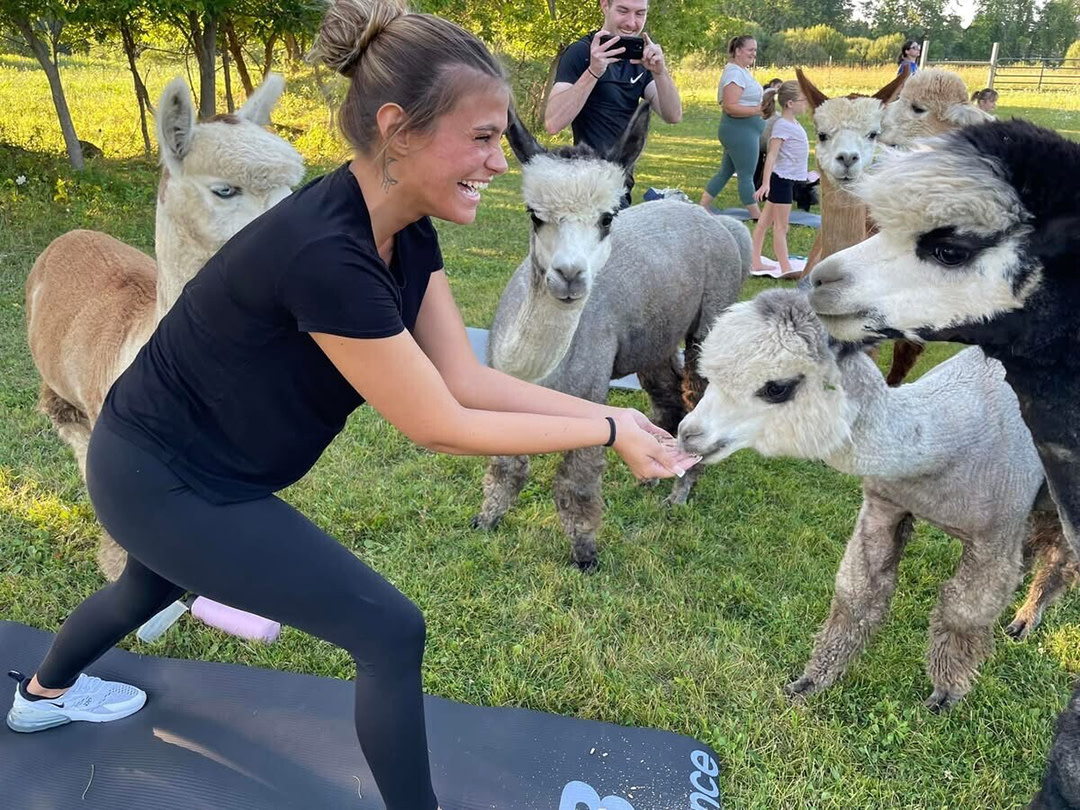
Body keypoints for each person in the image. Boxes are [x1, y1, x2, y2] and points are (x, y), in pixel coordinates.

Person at [3, 2, 698, 809]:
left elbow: (464, 381)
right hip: (160, 474)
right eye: (480, 139)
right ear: (398, 129)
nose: (498, 163)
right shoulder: (325, 254)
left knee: (144, 589)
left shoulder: (406, 226)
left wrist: (617, 422)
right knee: (388, 630)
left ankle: (40, 698)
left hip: (183, 463)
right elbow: (437, 424)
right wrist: (607, 424)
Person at [544, 0, 682, 207]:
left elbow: (673, 115)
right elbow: (553, 122)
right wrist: (593, 71)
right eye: (623, 11)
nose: (631, 22)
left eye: (640, 14)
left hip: (621, 184)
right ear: (604, 6)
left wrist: (660, 72)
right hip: (587, 189)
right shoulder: (581, 53)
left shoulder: (640, 60)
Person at [700, 36, 766, 219]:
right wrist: (757, 110)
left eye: (755, 49)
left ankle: (702, 206)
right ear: (738, 51)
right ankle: (757, 216)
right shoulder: (734, 73)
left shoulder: (741, 72)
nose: (754, 53)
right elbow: (730, 106)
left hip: (743, 131)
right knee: (746, 174)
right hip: (739, 132)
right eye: (750, 49)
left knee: (725, 172)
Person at [751, 80, 810, 277]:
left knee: (764, 223)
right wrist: (766, 183)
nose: (805, 103)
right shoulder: (782, 126)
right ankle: (785, 267)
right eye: (802, 100)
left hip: (787, 179)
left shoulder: (792, 123)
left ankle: (755, 260)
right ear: (790, 104)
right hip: (781, 180)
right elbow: (772, 156)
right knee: (781, 227)